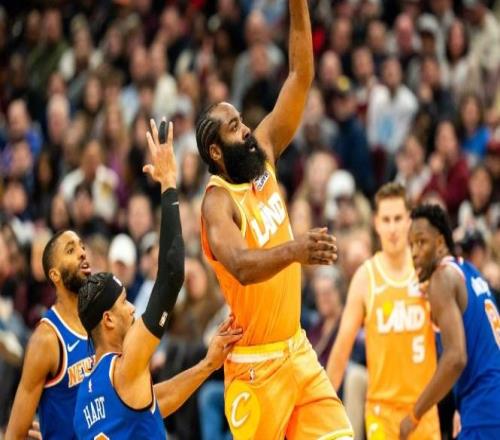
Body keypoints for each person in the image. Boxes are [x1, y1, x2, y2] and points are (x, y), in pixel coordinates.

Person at [196, 0, 353, 438]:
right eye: (233, 127)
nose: (245, 129)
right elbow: (242, 267)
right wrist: (296, 250)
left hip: (297, 349)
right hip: (256, 366)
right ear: (215, 152)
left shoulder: (261, 153)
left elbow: (300, 76)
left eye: (241, 120)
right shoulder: (216, 203)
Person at [73, 120, 242, 438]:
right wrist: (168, 183)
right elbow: (172, 275)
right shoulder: (124, 366)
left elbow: (154, 402)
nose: (132, 310)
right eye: (124, 303)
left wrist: (207, 364)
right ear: (108, 319)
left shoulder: (85, 396)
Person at [327, 182, 440, 439]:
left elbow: (456, 343)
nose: (392, 228)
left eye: (398, 219)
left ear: (409, 221)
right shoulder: (365, 277)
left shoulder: (430, 272)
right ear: (376, 223)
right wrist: (322, 408)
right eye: (386, 220)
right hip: (382, 413)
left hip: (424, 411)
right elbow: (341, 350)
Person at [400, 204, 500, 439]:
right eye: (411, 245)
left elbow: (456, 358)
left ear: (440, 243)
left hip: (485, 408)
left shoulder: (441, 279)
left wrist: (414, 415)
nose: (414, 253)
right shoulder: (469, 271)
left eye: (421, 242)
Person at [6, 229, 93, 439]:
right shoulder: (46, 339)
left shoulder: (99, 319)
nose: (82, 252)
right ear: (55, 275)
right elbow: (15, 434)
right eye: (71, 250)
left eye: (82, 246)